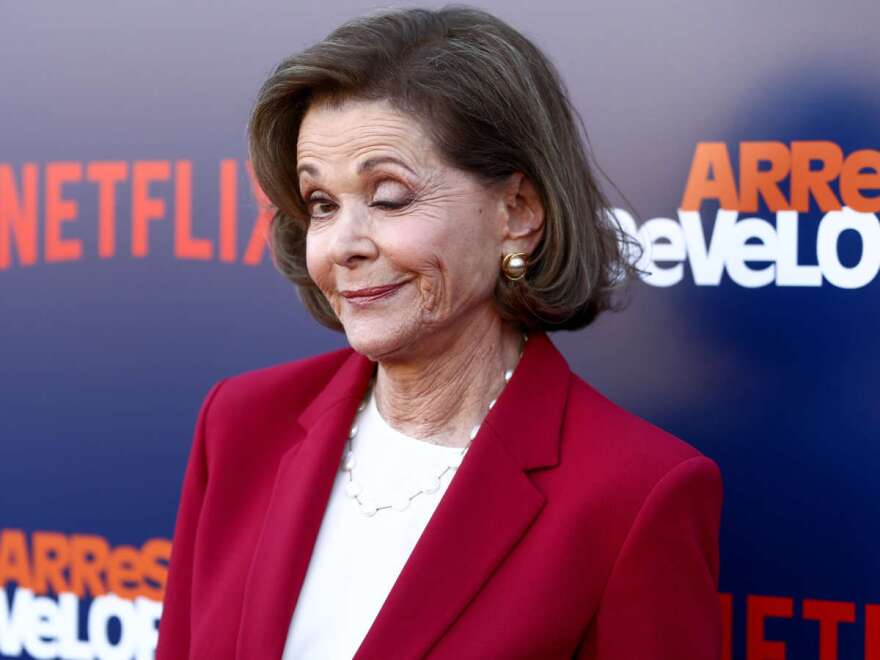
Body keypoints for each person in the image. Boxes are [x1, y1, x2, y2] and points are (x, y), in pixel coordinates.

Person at [156, 5, 723, 659]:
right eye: (321, 204)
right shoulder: (240, 424)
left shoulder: (635, 494)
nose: (343, 245)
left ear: (518, 212)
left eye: (389, 197)